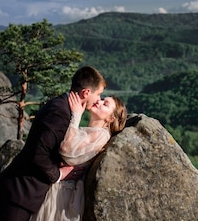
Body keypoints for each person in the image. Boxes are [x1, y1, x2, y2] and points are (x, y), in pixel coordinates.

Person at [0, 65, 108, 221]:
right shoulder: (60, 112)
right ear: (86, 92)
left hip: (27, 190)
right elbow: (38, 154)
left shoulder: (64, 107)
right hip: (22, 189)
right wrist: (60, 174)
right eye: (98, 94)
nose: (98, 100)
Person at [31, 90, 127, 220]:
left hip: (62, 195)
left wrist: (76, 115)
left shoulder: (101, 135)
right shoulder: (91, 132)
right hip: (58, 188)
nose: (99, 101)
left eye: (105, 104)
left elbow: (67, 150)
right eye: (102, 99)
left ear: (111, 118)